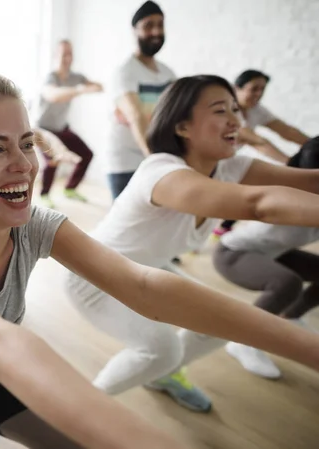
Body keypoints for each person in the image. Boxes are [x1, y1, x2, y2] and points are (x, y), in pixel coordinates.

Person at [0, 68, 319, 449]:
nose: (23, 163)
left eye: (26, 142)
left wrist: (307, 348)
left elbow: (142, 286)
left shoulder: (35, 226)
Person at [64, 74, 319, 413]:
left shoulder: (230, 167)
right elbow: (256, 204)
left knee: (220, 323)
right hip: (93, 277)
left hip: (147, 271)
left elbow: (311, 181)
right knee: (161, 348)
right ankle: (72, 415)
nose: (235, 119)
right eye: (220, 110)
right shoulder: (162, 172)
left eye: (234, 108)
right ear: (182, 127)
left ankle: (163, 376)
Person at [213, 136, 319, 379]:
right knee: (286, 283)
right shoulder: (291, 196)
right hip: (233, 253)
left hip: (275, 252)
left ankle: (289, 317)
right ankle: (242, 341)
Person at [214, 69, 312, 236]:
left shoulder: (256, 110)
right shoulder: (226, 109)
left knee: (246, 187)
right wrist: (289, 164)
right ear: (236, 88)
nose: (258, 94)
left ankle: (222, 228)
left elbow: (287, 131)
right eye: (254, 89)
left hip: (226, 161)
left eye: (262, 89)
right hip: (205, 162)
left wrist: (313, 144)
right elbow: (257, 141)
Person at [107, 1, 176, 200]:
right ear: (135, 31)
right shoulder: (125, 72)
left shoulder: (168, 73)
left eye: (160, 24)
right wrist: (155, 159)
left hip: (158, 155)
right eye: (148, 25)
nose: (156, 31)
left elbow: (176, 114)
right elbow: (136, 115)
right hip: (126, 162)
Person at [34, 39, 102, 208]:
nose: (67, 58)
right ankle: (44, 195)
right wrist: (79, 90)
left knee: (86, 154)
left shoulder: (76, 77)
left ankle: (70, 189)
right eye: (64, 54)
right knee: (53, 159)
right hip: (43, 129)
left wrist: (92, 87)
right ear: (56, 56)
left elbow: (98, 86)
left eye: (70, 54)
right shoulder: (51, 78)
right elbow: (53, 95)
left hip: (62, 128)